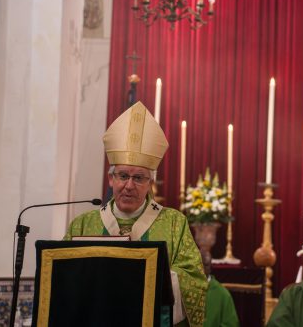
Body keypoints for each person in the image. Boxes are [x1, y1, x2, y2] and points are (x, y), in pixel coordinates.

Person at [64, 101, 207, 327]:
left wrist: (148, 279)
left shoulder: (173, 223)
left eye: (139, 178)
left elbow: (195, 281)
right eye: (122, 176)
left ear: (150, 182)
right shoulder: (82, 225)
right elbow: (65, 280)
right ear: (111, 179)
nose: (129, 185)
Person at [200, 250, 239, 327]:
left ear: (211, 267)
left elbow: (230, 324)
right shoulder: (186, 289)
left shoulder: (223, 294)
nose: (202, 268)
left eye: (205, 265)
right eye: (199, 264)